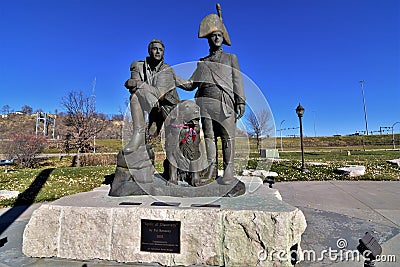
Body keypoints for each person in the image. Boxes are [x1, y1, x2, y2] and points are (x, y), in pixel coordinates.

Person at [177, 6, 245, 185]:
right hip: (205, 104)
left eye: (219, 35)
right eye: (213, 35)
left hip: (224, 102)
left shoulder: (231, 59)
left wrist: (241, 101)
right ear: (208, 39)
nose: (216, 38)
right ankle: (211, 169)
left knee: (227, 137)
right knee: (209, 137)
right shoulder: (202, 63)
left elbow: (237, 80)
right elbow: (191, 84)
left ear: (223, 38)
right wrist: (173, 76)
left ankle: (228, 171)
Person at [124, 39, 180, 153]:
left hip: (167, 106)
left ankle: (155, 117)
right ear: (149, 51)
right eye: (155, 49)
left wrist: (138, 83)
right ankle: (138, 135)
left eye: (161, 50)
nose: (158, 52)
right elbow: (133, 88)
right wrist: (145, 93)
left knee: (172, 142)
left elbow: (160, 94)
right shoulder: (138, 66)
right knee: (134, 97)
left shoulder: (166, 69)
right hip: (150, 103)